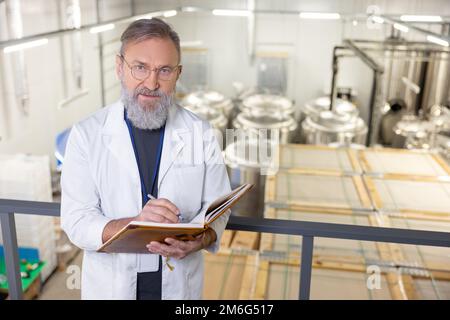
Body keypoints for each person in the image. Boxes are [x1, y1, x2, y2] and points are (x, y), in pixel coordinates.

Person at [61, 18, 231, 300]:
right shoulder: (87, 135)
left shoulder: (199, 133)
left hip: (179, 286)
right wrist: (133, 226)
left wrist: (202, 239)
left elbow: (219, 208)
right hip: (112, 287)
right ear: (119, 67)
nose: (151, 83)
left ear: (177, 74)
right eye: (140, 67)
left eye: (164, 70)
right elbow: (76, 220)